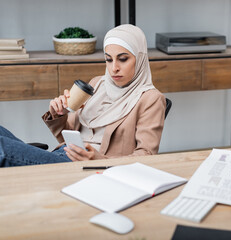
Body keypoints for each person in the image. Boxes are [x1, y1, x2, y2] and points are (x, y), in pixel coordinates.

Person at [0, 24, 166, 167]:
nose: (114, 68)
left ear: (140, 59)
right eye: (108, 59)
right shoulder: (96, 84)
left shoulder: (151, 99)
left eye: (123, 59)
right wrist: (60, 115)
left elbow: (147, 157)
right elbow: (69, 136)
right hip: (63, 155)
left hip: (87, 168)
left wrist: (98, 159)